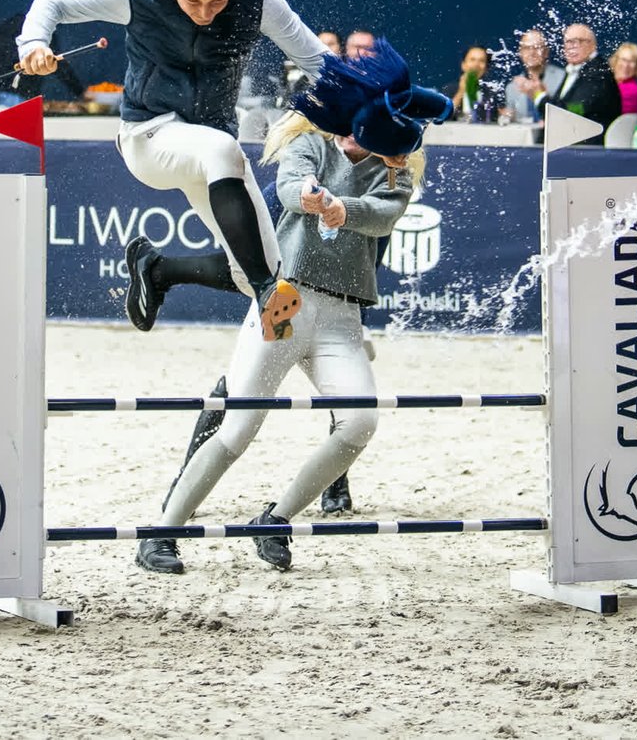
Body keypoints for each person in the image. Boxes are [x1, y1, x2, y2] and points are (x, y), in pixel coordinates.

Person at [136, 41, 449, 575]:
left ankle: (274, 520)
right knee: (237, 428)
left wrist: (337, 206)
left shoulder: (396, 168)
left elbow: (382, 216)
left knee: (359, 423)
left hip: (343, 318)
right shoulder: (311, 143)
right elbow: (286, 189)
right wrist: (311, 196)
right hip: (286, 300)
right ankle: (161, 533)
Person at [17, 0, 331, 343]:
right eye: (192, 0)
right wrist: (34, 44)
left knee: (253, 266)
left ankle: (159, 269)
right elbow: (51, 1)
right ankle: (266, 291)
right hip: (150, 136)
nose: (205, 12)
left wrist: (374, 110)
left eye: (217, 0)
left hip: (212, 147)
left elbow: (318, 61)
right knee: (225, 154)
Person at [534, 23, 620, 144]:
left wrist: (540, 97)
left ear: (592, 45)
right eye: (568, 42)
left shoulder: (598, 71)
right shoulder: (575, 69)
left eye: (578, 41)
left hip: (588, 149)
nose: (571, 47)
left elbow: (575, 109)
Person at [0, 12, 88, 106]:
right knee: (22, 127)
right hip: (20, 94)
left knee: (2, 127)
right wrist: (80, 91)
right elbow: (56, 62)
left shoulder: (6, 26)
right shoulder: (42, 32)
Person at [503, 29, 564, 124]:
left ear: (546, 52)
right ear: (520, 53)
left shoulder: (563, 78)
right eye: (527, 48)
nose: (532, 53)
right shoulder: (511, 88)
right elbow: (509, 120)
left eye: (537, 47)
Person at [443, 44, 496, 119]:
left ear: (486, 68)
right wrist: (461, 92)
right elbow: (443, 117)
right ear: (463, 65)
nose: (476, 64)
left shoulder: (491, 93)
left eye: (481, 60)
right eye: (472, 60)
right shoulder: (449, 90)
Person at [609, 42, 637, 115]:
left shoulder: (632, 90)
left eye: (631, 61)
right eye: (623, 59)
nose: (626, 65)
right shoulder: (607, 81)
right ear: (616, 61)